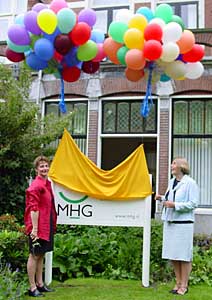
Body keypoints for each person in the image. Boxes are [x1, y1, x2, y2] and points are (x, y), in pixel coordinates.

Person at [155, 157, 199, 296]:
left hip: (183, 224)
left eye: (174, 163)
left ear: (181, 166)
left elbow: (193, 203)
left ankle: (184, 285)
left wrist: (175, 205)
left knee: (183, 256)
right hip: (170, 223)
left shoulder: (190, 183)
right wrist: (161, 198)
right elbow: (171, 199)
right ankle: (178, 282)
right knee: (173, 255)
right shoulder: (171, 182)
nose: (171, 165)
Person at [24, 156, 57, 297]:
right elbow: (33, 209)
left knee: (41, 254)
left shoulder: (46, 183)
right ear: (36, 169)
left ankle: (40, 284)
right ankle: (32, 288)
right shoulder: (36, 186)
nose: (44, 168)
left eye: (46, 166)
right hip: (37, 226)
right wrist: (35, 229)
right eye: (41, 166)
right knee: (34, 255)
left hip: (46, 224)